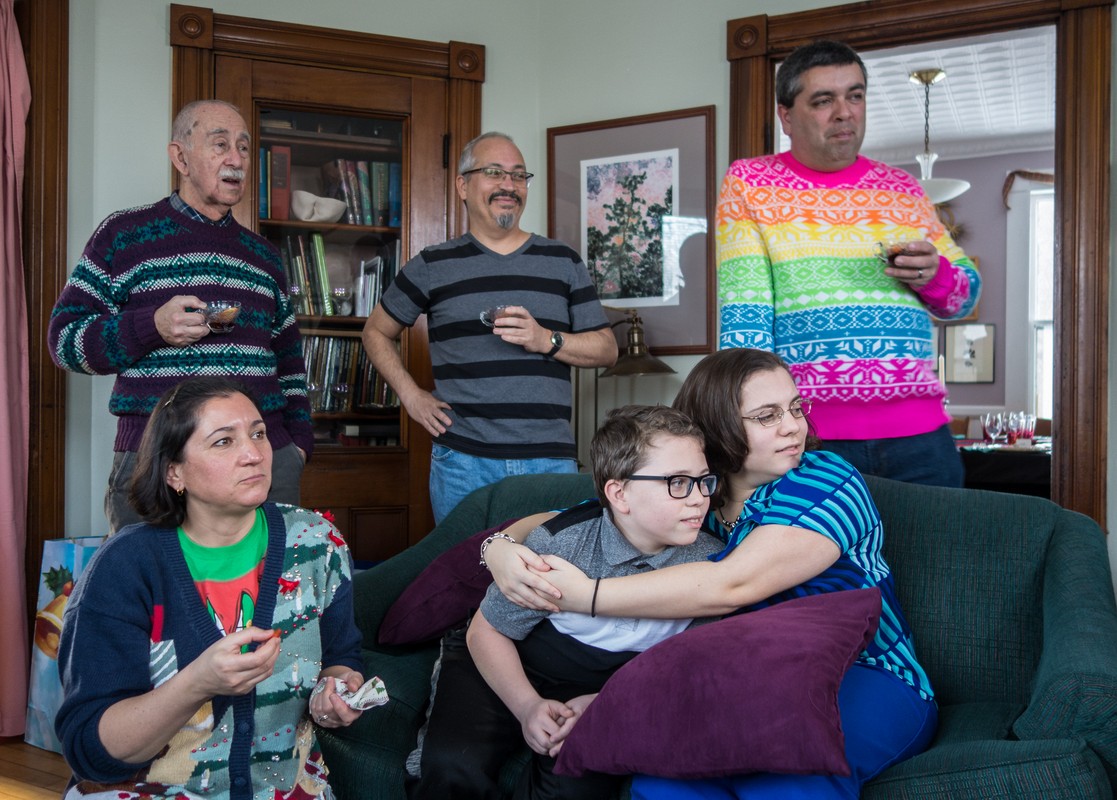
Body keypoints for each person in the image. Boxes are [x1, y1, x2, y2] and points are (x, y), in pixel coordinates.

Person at [486, 349, 938, 799]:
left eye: (796, 408)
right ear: (718, 425)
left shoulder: (826, 478)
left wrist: (583, 594)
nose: (793, 426)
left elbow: (732, 585)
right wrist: (500, 549)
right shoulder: (694, 495)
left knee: (791, 775)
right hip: (736, 682)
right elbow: (571, 517)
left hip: (865, 673)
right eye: (767, 415)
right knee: (661, 784)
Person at [55, 376, 364, 800]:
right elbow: (92, 753)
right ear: (174, 471)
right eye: (224, 442)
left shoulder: (317, 542)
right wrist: (198, 682)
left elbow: (339, 659)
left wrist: (337, 693)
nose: (254, 454)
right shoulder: (125, 566)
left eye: (258, 433)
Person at [407, 405, 724, 799]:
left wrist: (603, 701)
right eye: (678, 482)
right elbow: (487, 631)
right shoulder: (562, 544)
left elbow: (690, 662)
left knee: (573, 789)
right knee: (453, 766)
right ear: (619, 493)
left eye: (703, 481)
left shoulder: (714, 565)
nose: (698, 499)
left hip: (608, 687)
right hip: (510, 660)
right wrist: (527, 707)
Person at [716, 39, 981, 487]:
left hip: (922, 438)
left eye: (855, 96)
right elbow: (745, 318)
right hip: (808, 436)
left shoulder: (904, 189)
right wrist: (754, 427)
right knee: (818, 560)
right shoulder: (750, 182)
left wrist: (936, 275)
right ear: (786, 115)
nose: (845, 112)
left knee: (941, 558)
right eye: (824, 100)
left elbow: (963, 295)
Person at [48, 99, 313, 533]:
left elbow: (289, 362)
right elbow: (64, 342)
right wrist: (149, 326)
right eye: (220, 144)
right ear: (180, 157)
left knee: (265, 595)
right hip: (157, 462)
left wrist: (297, 445)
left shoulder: (265, 257)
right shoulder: (123, 235)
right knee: (152, 597)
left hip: (261, 461)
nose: (236, 159)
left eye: (244, 148)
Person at [362, 131, 618, 523]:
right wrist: (411, 396)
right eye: (495, 172)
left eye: (518, 176)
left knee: (550, 579)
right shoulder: (433, 265)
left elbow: (606, 348)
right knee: (464, 577)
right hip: (463, 460)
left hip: (548, 460)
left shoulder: (562, 261)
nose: (509, 186)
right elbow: (376, 331)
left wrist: (544, 339)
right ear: (463, 185)